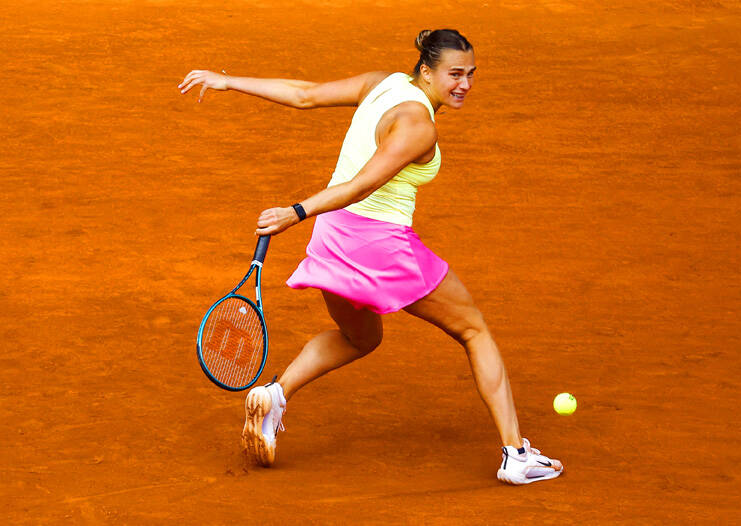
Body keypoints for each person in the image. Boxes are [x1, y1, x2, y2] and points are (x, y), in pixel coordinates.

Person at [178, 29, 563, 485]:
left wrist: (227, 81)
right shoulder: (419, 126)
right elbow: (362, 185)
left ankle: (276, 395)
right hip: (378, 246)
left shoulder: (382, 82)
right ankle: (516, 454)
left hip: (332, 238)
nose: (464, 84)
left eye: (471, 74)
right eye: (455, 74)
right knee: (474, 329)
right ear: (427, 71)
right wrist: (294, 212)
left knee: (360, 337)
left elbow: (305, 95)